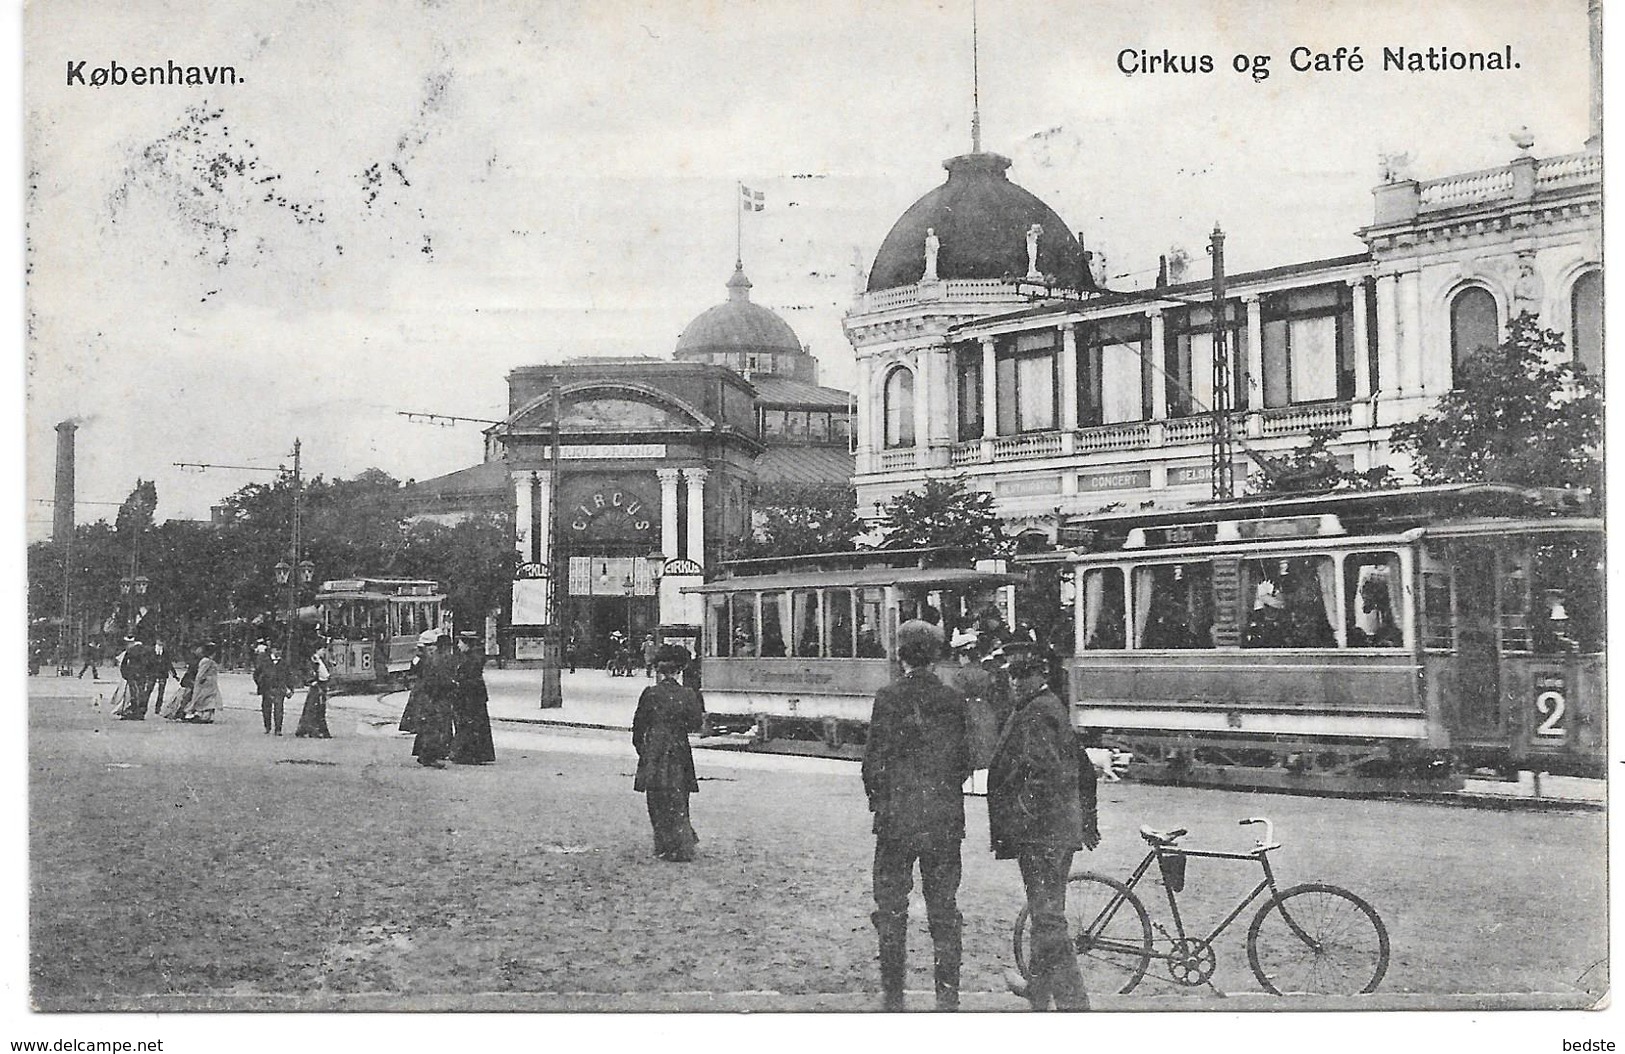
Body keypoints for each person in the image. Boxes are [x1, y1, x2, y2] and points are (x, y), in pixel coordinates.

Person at [863, 618, 971, 1012]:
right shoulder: (953, 699)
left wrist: (882, 803)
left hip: (897, 820)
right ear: (937, 655)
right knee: (944, 908)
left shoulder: (888, 697)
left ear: (901, 654)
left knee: (891, 909)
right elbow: (965, 760)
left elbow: (872, 763)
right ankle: (948, 999)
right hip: (943, 819)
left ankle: (894, 999)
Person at [988, 640, 1099, 1012]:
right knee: (1045, 915)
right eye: (1013, 676)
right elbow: (1083, 769)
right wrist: (1088, 820)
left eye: (1023, 675)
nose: (1015, 683)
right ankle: (1038, 991)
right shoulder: (1049, 707)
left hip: (1041, 835)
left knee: (1049, 919)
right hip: (1055, 832)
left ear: (1040, 676)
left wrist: (1023, 819)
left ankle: (1074, 1007)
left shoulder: (1037, 713)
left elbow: (1045, 776)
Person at [631, 644, 705, 862]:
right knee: (679, 798)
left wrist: (644, 752)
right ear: (679, 671)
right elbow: (696, 724)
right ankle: (681, 846)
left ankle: (662, 844)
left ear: (659, 671)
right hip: (679, 750)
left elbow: (637, 728)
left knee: (656, 799)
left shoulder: (650, 694)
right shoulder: (688, 694)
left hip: (654, 751)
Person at [949, 629, 999, 797]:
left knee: (968, 743)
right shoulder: (986, 673)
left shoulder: (960, 675)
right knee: (984, 743)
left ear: (964, 656)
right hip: (985, 709)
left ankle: (967, 784)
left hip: (967, 709)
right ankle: (982, 785)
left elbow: (957, 694)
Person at [448, 632, 496, 764]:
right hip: (474, 694)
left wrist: (457, 682)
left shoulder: (471, 658)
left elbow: (468, 677)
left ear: (467, 643)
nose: (458, 645)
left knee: (470, 723)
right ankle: (476, 753)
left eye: (460, 642)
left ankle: (470, 754)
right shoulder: (472, 656)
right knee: (475, 723)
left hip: (470, 695)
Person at [411, 632, 457, 768]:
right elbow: (437, 678)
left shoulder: (432, 658)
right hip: (435, 696)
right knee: (435, 726)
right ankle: (429, 755)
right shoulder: (438, 659)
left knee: (431, 726)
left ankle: (427, 754)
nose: (430, 648)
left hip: (428, 695)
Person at [398, 630, 439, 734]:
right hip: (422, 683)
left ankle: (414, 725)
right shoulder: (425, 657)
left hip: (422, 684)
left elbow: (414, 669)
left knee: (418, 704)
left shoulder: (423, 657)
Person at [293, 644, 333, 739]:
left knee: (320, 709)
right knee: (314, 709)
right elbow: (310, 674)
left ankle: (320, 730)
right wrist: (314, 682)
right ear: (317, 650)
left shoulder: (321, 661)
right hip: (316, 687)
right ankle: (313, 730)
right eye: (322, 650)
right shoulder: (313, 661)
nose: (323, 652)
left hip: (322, 685)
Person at [254, 646, 294, 735]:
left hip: (279, 689)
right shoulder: (265, 662)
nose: (279, 652)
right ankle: (267, 727)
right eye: (277, 649)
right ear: (272, 650)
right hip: (267, 689)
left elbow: (289, 676)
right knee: (266, 709)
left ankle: (278, 729)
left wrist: (290, 688)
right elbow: (256, 674)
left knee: (279, 709)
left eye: (280, 650)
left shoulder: (284, 663)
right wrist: (260, 685)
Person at [181, 642, 223, 723]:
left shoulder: (208, 660)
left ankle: (206, 716)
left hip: (210, 684)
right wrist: (200, 682)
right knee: (206, 700)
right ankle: (201, 716)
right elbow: (200, 674)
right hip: (206, 685)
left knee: (209, 700)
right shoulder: (206, 661)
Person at [1243, 581, 1292, 648]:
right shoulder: (1255, 626)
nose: (1273, 612)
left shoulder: (1283, 624)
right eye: (1271, 608)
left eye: (1275, 610)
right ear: (1265, 607)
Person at [117, 637, 154, 721]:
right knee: (141, 692)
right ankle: (140, 712)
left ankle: (134, 710)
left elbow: (124, 663)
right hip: (142, 674)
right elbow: (151, 663)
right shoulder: (147, 651)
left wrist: (125, 674)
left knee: (134, 693)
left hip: (132, 674)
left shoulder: (131, 650)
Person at [161, 645, 200, 720]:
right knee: (185, 698)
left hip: (188, 681)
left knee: (183, 698)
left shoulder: (194, 661)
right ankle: (180, 712)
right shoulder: (196, 661)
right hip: (190, 682)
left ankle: (178, 712)